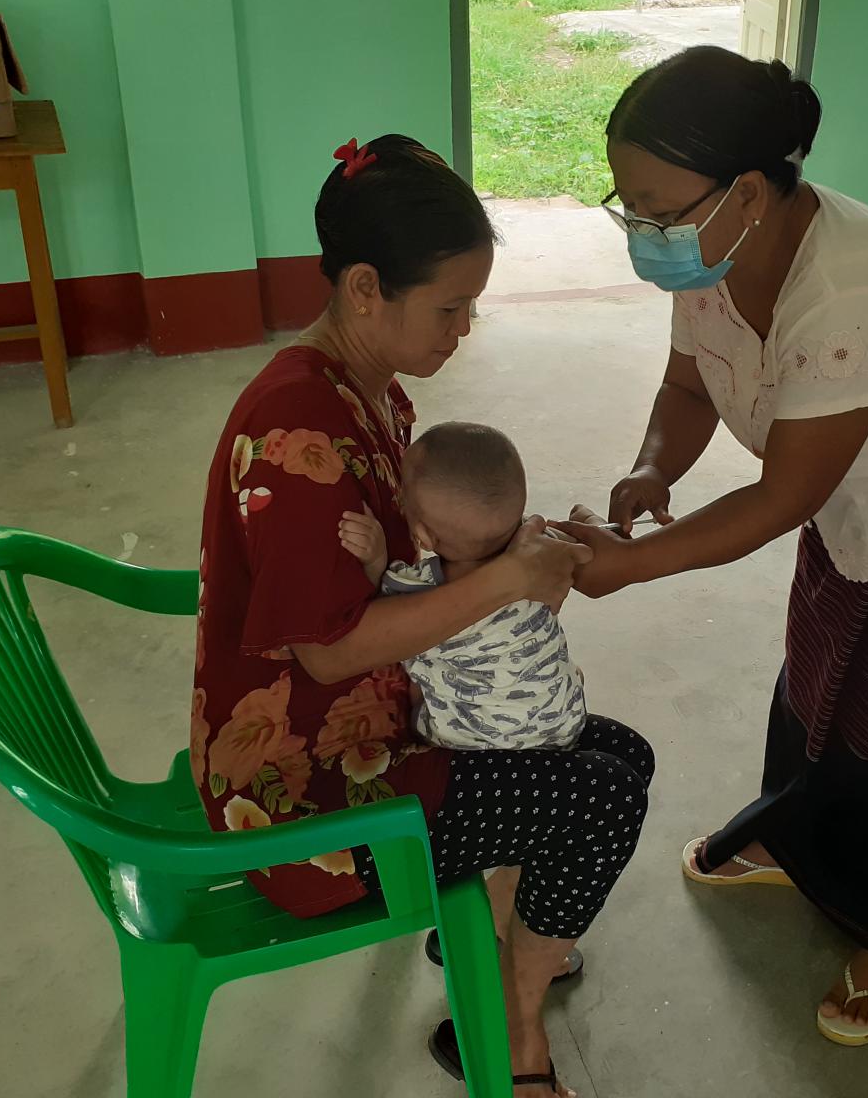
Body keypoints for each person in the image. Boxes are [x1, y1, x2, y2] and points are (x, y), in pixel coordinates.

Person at [555, 47, 868, 1047]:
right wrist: (653, 468)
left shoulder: (851, 286)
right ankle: (792, 842)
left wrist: (631, 566)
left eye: (656, 210)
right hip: (851, 491)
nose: (643, 234)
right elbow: (689, 385)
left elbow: (784, 496)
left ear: (747, 191)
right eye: (628, 208)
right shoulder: (717, 250)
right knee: (818, 677)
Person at [191, 135, 652, 1097]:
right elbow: (327, 658)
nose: (465, 329)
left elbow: (418, 553)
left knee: (621, 756)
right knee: (601, 799)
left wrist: (520, 543)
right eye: (449, 307)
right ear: (366, 289)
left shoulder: (367, 391)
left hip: (386, 728)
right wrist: (509, 579)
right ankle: (510, 1026)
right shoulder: (299, 434)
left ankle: (491, 940)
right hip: (313, 804)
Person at [338, 420, 588, 752]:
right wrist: (590, 522)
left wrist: (375, 558)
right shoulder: (540, 550)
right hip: (561, 721)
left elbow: (381, 616)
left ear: (423, 536)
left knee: (421, 672)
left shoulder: (419, 586)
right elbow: (584, 548)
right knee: (625, 755)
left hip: (474, 745)